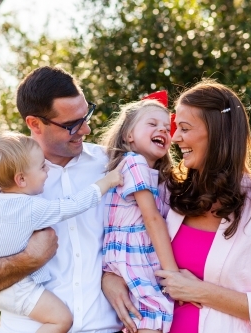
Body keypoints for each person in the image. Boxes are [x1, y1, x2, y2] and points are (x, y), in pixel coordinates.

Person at [102, 80, 251, 332]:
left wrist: (200, 291)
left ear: (217, 133)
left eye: (184, 128)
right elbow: (132, 241)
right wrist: (109, 277)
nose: (174, 138)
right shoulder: (172, 189)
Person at [0, 66, 133, 333]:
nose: (87, 129)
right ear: (34, 124)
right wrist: (29, 258)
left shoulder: (110, 166)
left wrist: (113, 274)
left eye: (86, 115)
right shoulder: (2, 188)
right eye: (71, 125)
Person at [98, 99, 176, 333]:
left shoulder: (156, 175)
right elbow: (152, 219)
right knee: (152, 313)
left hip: (137, 255)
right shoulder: (134, 162)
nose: (162, 129)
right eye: (152, 123)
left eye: (167, 127)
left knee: (145, 318)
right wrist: (173, 276)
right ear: (128, 135)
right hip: (133, 255)